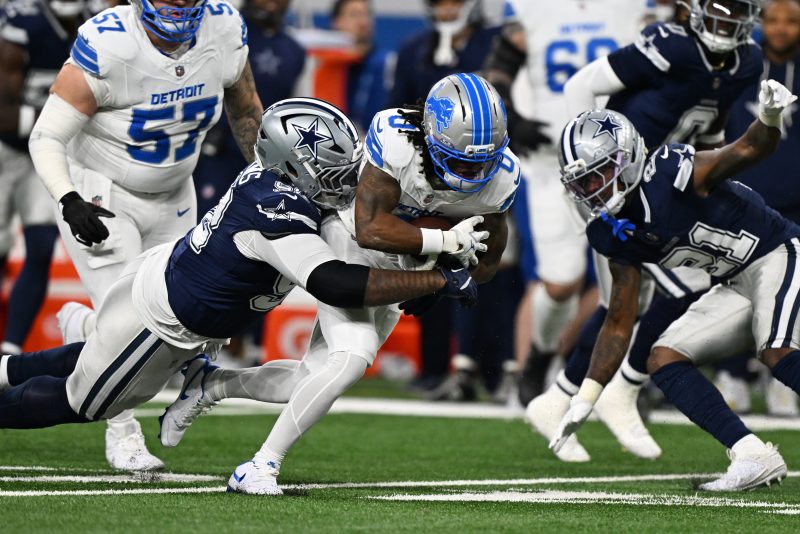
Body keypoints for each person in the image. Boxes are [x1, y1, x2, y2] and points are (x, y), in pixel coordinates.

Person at [0, 98, 478, 481]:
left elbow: (351, 229)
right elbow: (334, 282)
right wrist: (435, 276)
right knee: (86, 402)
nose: (347, 183)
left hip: (175, 301)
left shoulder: (290, 183)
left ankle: (13, 365)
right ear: (292, 167)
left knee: (94, 360)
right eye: (334, 175)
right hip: (158, 324)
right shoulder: (274, 209)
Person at [168, 73, 519, 495]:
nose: (474, 172)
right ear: (430, 138)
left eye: (483, 161)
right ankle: (260, 465)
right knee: (352, 355)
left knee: (311, 378)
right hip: (349, 237)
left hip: (405, 262)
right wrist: (440, 249)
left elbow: (487, 263)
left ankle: (210, 383)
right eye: (460, 161)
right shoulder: (398, 140)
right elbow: (370, 229)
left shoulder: (503, 177)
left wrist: (439, 274)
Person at [27, 0, 263, 470]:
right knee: (126, 330)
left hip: (176, 191)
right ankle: (122, 433)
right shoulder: (110, 42)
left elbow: (245, 113)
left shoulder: (223, 28)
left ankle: (84, 328)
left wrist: (269, 176)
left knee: (179, 320)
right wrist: (68, 198)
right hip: (101, 191)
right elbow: (47, 136)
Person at [527, 0, 764, 462]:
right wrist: (584, 164)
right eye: (721, 7)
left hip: (662, 188)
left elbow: (709, 125)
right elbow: (581, 85)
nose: (729, 18)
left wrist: (712, 178)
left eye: (739, 9)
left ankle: (562, 398)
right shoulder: (671, 45)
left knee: (629, 301)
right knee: (669, 287)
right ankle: (620, 387)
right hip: (612, 186)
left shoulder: (747, 61)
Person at [550, 78, 798, 491]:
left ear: (627, 158)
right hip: (735, 281)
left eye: (599, 175)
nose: (593, 190)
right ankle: (752, 454)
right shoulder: (611, 231)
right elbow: (619, 320)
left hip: (779, 252)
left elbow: (747, 149)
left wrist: (769, 117)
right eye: (583, 183)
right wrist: (586, 397)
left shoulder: (670, 173)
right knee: (664, 357)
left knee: (776, 350)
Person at [483, 0, 650, 407]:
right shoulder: (531, 8)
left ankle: (628, 380)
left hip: (620, 164)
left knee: (635, 278)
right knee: (561, 283)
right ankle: (541, 354)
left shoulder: (632, 7)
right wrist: (511, 116)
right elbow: (498, 70)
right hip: (554, 163)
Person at [389, 0, 499, 392]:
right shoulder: (414, 49)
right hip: (427, 180)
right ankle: (434, 369)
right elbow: (393, 115)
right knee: (429, 266)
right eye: (440, 2)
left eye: (454, 1)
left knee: (486, 266)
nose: (448, 10)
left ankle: (487, 369)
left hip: (482, 172)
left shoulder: (494, 44)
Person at [720, 0, 800, 416]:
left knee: (791, 295)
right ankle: (732, 372)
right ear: (760, 22)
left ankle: (780, 376)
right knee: (736, 291)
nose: (781, 28)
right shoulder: (743, 66)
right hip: (743, 198)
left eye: (791, 21)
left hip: (796, 204)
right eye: (773, 20)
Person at [0, 0, 86, 356]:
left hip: (45, 154)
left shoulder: (98, 27)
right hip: (5, 151)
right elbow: (2, 113)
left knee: (40, 248)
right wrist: (57, 121)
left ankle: (9, 352)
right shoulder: (24, 23)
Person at [194, 0, 305, 217]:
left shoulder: (295, 50)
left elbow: (298, 109)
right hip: (216, 153)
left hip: (266, 158)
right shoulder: (224, 32)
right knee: (206, 221)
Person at [330, 0, 394, 133]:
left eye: (366, 14)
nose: (363, 22)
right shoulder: (323, 66)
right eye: (354, 15)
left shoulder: (389, 64)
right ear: (337, 22)